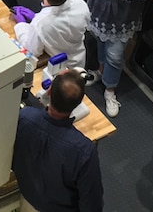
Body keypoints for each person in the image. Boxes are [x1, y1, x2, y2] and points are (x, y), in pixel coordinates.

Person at [12, 70, 103, 212]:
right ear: (79, 102)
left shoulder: (24, 118)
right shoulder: (84, 151)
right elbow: (91, 202)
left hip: (29, 199)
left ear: (49, 92)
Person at [12, 0, 90, 69]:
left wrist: (21, 24)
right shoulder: (81, 5)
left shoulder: (40, 24)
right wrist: (35, 17)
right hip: (78, 61)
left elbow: (33, 50)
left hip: (59, 67)